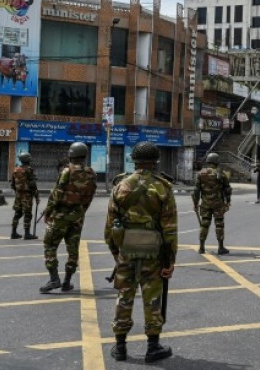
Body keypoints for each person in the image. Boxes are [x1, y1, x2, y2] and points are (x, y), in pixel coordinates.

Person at [105, 141, 178, 363]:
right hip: (153, 253)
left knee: (124, 296)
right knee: (152, 297)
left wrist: (117, 252)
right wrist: (169, 261)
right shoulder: (163, 187)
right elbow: (170, 230)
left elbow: (110, 228)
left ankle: (119, 347)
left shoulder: (120, 186)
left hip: (126, 249)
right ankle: (153, 347)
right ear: (156, 161)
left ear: (134, 160)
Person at [40, 142, 97, 293]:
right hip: (78, 217)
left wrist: (48, 212)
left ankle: (54, 279)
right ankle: (66, 282)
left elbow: (56, 194)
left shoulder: (67, 171)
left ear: (71, 154)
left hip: (60, 216)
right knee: (73, 249)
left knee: (50, 245)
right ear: (84, 155)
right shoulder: (91, 173)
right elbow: (90, 196)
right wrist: (81, 211)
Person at [192, 152, 231, 255]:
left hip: (205, 204)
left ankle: (201, 247)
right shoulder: (221, 174)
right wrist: (228, 201)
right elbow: (227, 189)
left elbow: (196, 190)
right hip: (218, 204)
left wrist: (195, 203)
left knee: (204, 225)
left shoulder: (200, 174)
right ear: (216, 161)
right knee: (219, 225)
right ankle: (221, 247)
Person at [11, 152, 40, 240]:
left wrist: (18, 192)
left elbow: (12, 184)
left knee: (17, 213)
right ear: (27, 159)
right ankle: (27, 234)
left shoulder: (16, 170)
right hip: (27, 195)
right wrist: (37, 197)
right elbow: (32, 184)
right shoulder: (29, 170)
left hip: (18, 195)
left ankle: (13, 232)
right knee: (27, 214)